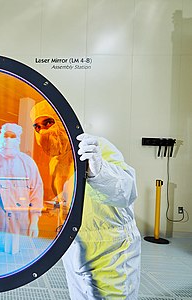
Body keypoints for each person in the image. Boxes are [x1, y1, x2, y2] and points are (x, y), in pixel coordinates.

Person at [30, 101, 141, 299]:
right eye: (37, 127)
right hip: (75, 249)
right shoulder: (55, 161)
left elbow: (127, 191)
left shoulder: (96, 148)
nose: (42, 131)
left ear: (62, 121)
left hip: (110, 250)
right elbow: (71, 196)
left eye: (48, 123)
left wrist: (99, 171)